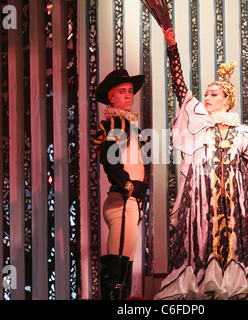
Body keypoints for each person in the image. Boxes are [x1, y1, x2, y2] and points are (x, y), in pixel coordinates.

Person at [154, 28, 248, 300]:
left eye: (215, 94)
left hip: (236, 200)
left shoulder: (243, 133)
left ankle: (238, 285)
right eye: (207, 93)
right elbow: (179, 85)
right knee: (203, 242)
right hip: (204, 199)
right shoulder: (199, 125)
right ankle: (204, 283)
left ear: (227, 100)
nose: (208, 97)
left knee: (238, 244)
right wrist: (172, 48)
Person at [92, 69, 149, 300]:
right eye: (122, 91)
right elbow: (108, 157)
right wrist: (127, 185)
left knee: (123, 271)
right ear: (111, 98)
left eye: (131, 92)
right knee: (117, 273)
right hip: (122, 202)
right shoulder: (117, 124)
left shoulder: (130, 126)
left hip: (129, 203)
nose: (128, 96)